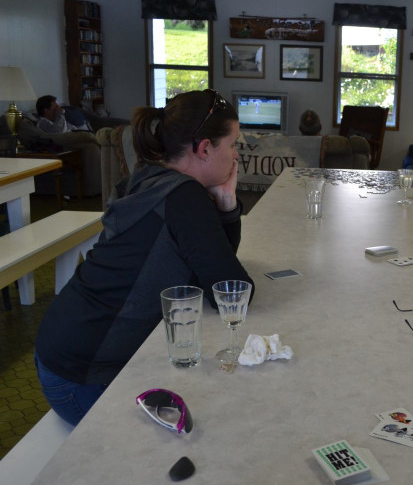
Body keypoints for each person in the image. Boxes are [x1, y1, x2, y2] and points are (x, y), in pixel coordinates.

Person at [35, 89, 254, 425]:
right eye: (233, 144)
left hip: (60, 350)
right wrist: (225, 202)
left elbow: (211, 270)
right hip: (81, 378)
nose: (237, 155)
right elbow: (232, 292)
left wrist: (225, 203)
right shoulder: (185, 197)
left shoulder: (149, 176)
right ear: (205, 149)